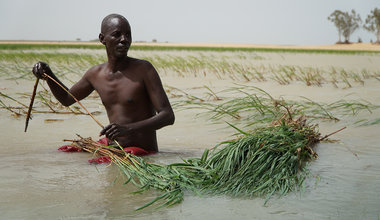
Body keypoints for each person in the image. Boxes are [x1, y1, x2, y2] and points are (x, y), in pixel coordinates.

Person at [32, 14, 175, 154]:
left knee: (96, 164)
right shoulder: (95, 74)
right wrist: (48, 74)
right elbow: (66, 99)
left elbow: (167, 116)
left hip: (140, 152)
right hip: (114, 148)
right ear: (102, 39)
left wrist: (128, 128)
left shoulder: (144, 69)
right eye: (117, 34)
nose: (124, 40)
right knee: (66, 152)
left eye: (128, 35)